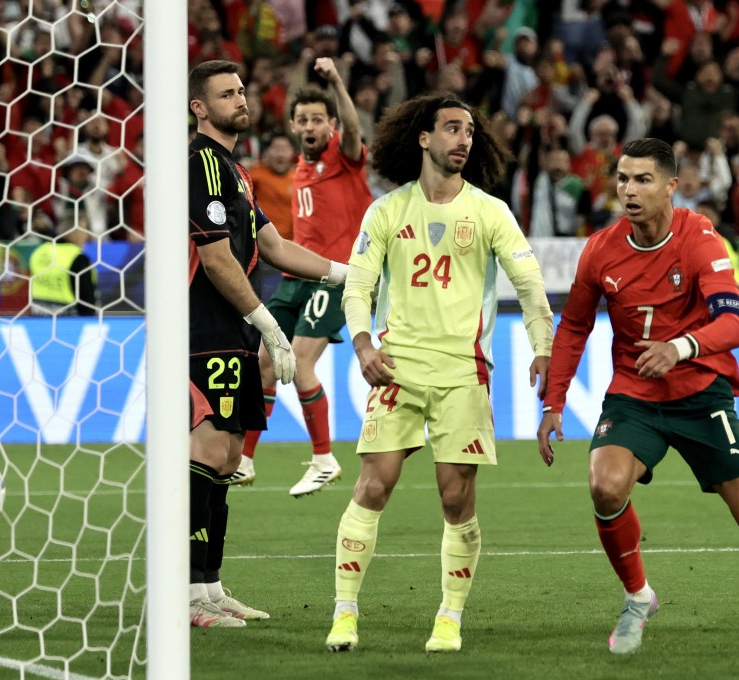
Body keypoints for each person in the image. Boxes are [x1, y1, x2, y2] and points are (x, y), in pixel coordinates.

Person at [538, 138, 739, 655]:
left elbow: (734, 324)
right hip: (635, 396)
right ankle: (638, 597)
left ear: (671, 186)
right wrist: (553, 403)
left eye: (643, 180)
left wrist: (680, 347)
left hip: (702, 395)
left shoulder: (700, 237)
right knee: (605, 486)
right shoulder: (599, 248)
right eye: (623, 178)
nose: (629, 190)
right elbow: (574, 326)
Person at [326, 92, 554, 653]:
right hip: (396, 368)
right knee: (371, 485)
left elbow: (529, 285)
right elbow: (357, 286)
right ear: (423, 138)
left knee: (456, 499)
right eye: (452, 128)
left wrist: (543, 347)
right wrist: (361, 344)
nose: (463, 139)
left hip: (463, 374)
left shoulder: (490, 211)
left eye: (469, 131)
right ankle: (344, 613)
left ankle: (449, 618)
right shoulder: (386, 211)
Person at [185, 59, 349, 628]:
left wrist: (346, 274)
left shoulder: (235, 170)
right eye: (225, 94)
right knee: (207, 450)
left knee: (230, 455)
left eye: (241, 90)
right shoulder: (200, 164)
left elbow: (275, 247)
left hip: (232, 327)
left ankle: (209, 587)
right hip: (202, 326)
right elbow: (214, 258)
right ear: (199, 107)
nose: (240, 99)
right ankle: (186, 593)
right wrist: (269, 324)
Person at [235, 57, 374, 496]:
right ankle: (244, 460)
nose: (310, 126)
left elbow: (353, 128)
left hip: (335, 278)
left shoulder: (343, 158)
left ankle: (323, 459)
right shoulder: (300, 167)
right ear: (294, 126)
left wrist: (335, 81)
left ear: (330, 125)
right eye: (303, 120)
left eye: (318, 119)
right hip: (295, 278)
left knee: (300, 362)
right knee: (263, 361)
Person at [28, 222, 98, 316]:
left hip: (38, 314)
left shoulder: (40, 251)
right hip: (68, 318)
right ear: (72, 234)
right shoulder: (77, 257)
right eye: (84, 231)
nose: (86, 236)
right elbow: (85, 297)